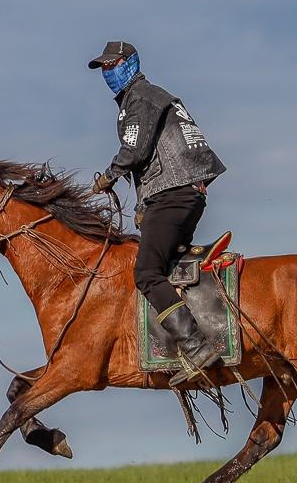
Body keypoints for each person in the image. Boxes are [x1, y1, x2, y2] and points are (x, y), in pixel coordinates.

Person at [85, 41, 226, 373]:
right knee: (167, 268)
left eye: (113, 64)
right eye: (103, 68)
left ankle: (196, 346)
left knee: (147, 274)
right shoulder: (149, 97)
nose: (108, 72)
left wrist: (108, 176)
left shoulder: (141, 98)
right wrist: (143, 203)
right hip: (183, 193)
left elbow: (134, 151)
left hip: (173, 193)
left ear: (130, 63)